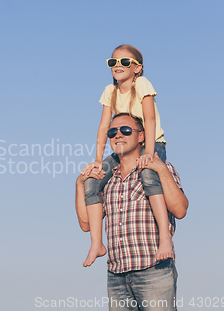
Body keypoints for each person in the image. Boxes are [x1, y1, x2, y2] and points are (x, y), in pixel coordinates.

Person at [76, 113, 188, 311]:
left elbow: (180, 210)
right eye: (112, 132)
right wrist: (80, 183)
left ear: (141, 136)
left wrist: (161, 170)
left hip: (154, 271)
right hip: (117, 275)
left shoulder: (159, 169)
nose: (118, 135)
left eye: (126, 130)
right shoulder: (106, 180)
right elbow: (86, 224)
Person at [80, 44, 172, 267]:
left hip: (151, 142)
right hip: (124, 147)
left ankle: (165, 237)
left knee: (149, 176)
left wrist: (149, 153)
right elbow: (104, 127)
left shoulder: (141, 84)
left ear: (137, 68)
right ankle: (96, 243)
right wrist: (99, 161)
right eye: (113, 62)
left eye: (124, 62)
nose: (117, 66)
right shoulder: (109, 92)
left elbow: (149, 119)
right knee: (92, 181)